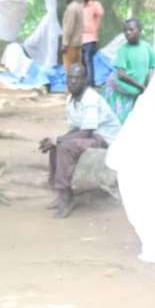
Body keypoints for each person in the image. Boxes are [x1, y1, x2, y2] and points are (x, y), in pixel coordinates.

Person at [38, 63, 120, 219]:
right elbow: (75, 130)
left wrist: (59, 140)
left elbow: (87, 131)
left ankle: (66, 197)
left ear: (85, 80)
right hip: (91, 134)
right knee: (57, 145)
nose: (73, 81)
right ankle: (60, 192)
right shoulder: (71, 99)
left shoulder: (90, 98)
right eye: (70, 78)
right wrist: (55, 140)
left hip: (104, 138)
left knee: (64, 146)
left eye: (77, 78)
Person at [104, 19, 155, 123]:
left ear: (140, 30)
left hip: (138, 90)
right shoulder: (123, 50)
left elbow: (151, 67)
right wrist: (140, 86)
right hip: (122, 91)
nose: (127, 33)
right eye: (125, 30)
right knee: (121, 120)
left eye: (131, 30)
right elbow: (121, 74)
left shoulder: (147, 48)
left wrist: (148, 85)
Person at [80, 0, 104, 86]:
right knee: (83, 61)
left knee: (87, 59)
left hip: (90, 38)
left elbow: (100, 14)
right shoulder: (81, 6)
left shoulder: (95, 5)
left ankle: (91, 83)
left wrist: (94, 31)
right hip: (81, 38)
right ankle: (85, 81)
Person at [61, 0, 84, 72]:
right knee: (78, 67)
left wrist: (65, 44)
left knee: (68, 68)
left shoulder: (71, 8)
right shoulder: (79, 6)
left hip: (70, 44)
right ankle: (79, 84)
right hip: (78, 42)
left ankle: (70, 84)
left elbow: (69, 27)